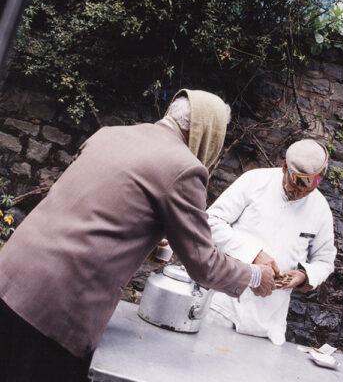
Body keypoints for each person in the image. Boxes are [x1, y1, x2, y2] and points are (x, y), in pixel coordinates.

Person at [0, 89, 275, 382]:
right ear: (209, 133)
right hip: (57, 306)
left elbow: (88, 210)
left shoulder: (109, 134)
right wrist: (255, 276)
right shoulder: (185, 168)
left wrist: (142, 240)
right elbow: (203, 263)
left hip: (10, 276)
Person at [206, 139, 336, 345]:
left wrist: (304, 276)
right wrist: (254, 254)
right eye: (296, 186)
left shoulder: (320, 209)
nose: (299, 194)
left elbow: (326, 261)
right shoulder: (254, 180)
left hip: (268, 327)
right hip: (223, 308)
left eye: (307, 191)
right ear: (285, 167)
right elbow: (211, 221)